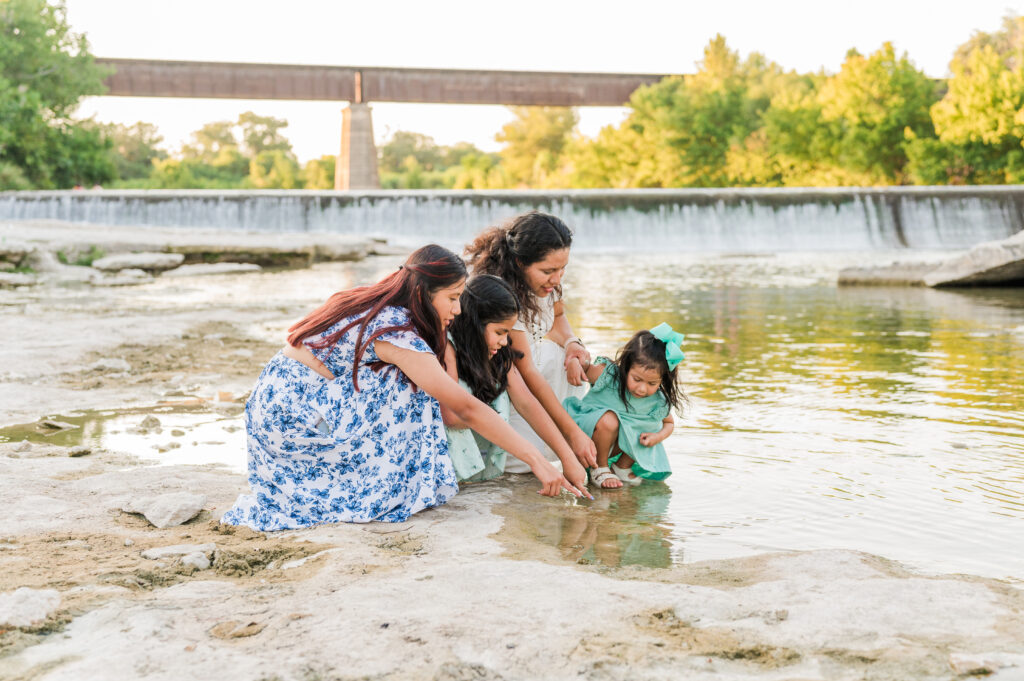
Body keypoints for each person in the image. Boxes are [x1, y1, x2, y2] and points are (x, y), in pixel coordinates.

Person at [222, 245, 584, 531]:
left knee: (410, 382)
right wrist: (538, 460)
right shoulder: (396, 331)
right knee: (418, 391)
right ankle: (382, 485)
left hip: (278, 405)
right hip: (292, 421)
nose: (459, 310)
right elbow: (465, 408)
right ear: (426, 293)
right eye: (453, 297)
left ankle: (382, 477)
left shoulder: (379, 302)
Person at [465, 212, 597, 474]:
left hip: (532, 372)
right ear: (518, 262)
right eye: (548, 271)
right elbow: (526, 373)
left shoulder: (549, 283)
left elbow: (558, 317)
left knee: (560, 354)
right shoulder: (502, 296)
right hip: (505, 385)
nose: (557, 279)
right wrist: (571, 436)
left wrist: (572, 342)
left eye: (562, 269)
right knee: (527, 465)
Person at [441, 275, 591, 495]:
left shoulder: (499, 354)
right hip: (449, 463)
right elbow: (453, 417)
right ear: (474, 322)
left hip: (481, 467)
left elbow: (527, 402)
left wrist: (567, 457)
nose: (504, 341)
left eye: (508, 333)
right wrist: (536, 459)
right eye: (500, 332)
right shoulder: (448, 348)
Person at [563, 324, 686, 489]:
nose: (642, 389)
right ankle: (599, 468)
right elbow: (585, 367)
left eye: (652, 383)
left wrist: (656, 437)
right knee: (610, 420)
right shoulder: (609, 377)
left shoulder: (656, 401)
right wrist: (574, 364)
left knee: (649, 424)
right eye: (637, 379)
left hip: (612, 448)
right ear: (627, 367)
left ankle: (621, 467)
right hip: (586, 436)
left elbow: (668, 423)